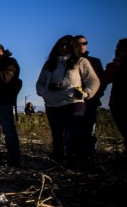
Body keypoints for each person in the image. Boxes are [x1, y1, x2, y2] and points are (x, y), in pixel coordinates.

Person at [36, 35, 100, 166]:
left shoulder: (80, 61)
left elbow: (93, 81)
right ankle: (57, 162)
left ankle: (77, 162)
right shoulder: (49, 63)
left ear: (73, 47)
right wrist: (43, 93)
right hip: (52, 104)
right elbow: (40, 82)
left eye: (67, 45)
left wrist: (86, 93)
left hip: (73, 102)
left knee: (74, 134)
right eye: (61, 44)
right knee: (57, 135)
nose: (63, 47)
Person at [74, 35, 106, 156]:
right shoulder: (70, 62)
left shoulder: (95, 61)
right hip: (74, 102)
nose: (82, 46)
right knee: (75, 130)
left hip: (91, 101)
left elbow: (101, 81)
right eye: (78, 44)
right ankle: (77, 156)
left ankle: (90, 156)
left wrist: (94, 95)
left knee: (89, 130)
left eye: (84, 43)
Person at [104, 38, 127, 154]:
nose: (117, 51)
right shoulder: (115, 66)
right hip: (117, 105)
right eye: (117, 49)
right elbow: (105, 79)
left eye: (121, 49)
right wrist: (116, 64)